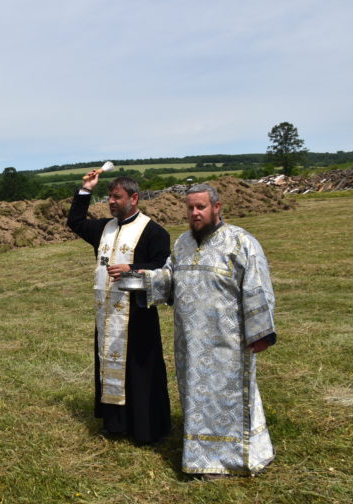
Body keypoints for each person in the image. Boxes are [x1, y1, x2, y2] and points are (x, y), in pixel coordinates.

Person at [142, 183, 276, 477]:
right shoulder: (182, 243)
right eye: (190, 208)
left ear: (217, 207)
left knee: (229, 398)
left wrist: (261, 332)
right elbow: (170, 278)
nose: (194, 213)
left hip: (227, 341)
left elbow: (257, 287)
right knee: (196, 398)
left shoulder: (240, 243)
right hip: (190, 341)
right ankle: (200, 458)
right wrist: (147, 279)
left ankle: (231, 459)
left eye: (200, 207)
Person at [67, 169, 171, 444]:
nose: (111, 202)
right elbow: (75, 221)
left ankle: (144, 427)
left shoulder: (153, 231)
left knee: (139, 369)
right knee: (109, 366)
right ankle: (116, 425)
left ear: (134, 198)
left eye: (117, 197)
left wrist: (132, 268)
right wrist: (86, 190)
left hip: (138, 314)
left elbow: (164, 267)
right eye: (109, 197)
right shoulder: (104, 228)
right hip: (107, 313)